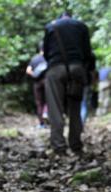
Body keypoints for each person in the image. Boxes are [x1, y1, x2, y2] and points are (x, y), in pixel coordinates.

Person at [43, 11, 96, 155]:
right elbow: (88, 53)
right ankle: (75, 144)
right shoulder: (81, 26)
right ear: (71, 17)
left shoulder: (50, 27)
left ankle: (59, 146)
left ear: (60, 17)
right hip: (77, 69)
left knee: (55, 109)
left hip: (55, 69)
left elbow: (46, 53)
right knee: (75, 108)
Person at [25, 43, 48, 128]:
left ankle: (41, 123)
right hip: (47, 82)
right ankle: (46, 113)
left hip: (37, 83)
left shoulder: (34, 59)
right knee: (48, 100)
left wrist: (34, 74)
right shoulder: (48, 58)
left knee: (39, 103)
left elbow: (28, 70)